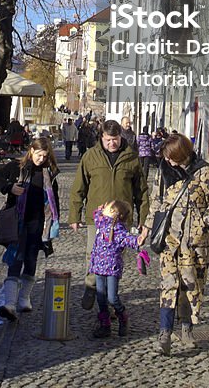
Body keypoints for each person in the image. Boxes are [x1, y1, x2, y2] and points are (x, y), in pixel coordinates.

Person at [138, 132, 209, 355]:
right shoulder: (164, 170)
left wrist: (203, 225)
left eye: (171, 156)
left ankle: (187, 329)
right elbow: (156, 202)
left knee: (190, 286)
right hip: (169, 239)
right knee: (168, 285)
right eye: (165, 157)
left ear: (182, 153)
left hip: (194, 243)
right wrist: (147, 228)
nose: (168, 160)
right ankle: (164, 334)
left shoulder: (204, 171)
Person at [68, 118, 149, 311]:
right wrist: (74, 215)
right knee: (93, 254)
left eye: (115, 139)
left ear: (121, 137)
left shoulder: (132, 158)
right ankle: (91, 285)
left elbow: (142, 192)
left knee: (115, 258)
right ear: (101, 138)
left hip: (121, 219)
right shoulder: (90, 157)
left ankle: (110, 300)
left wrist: (144, 219)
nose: (112, 143)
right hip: (96, 218)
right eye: (108, 140)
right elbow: (78, 188)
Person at [0, 137, 60, 321]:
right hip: (17, 221)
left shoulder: (49, 173)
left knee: (30, 258)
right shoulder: (17, 167)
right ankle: (9, 303)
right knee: (16, 257)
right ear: (31, 151)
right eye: (38, 155)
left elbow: (54, 199)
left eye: (44, 156)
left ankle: (24, 298)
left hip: (38, 223)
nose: (41, 159)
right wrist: (9, 187)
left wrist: (55, 221)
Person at [89, 199, 140, 339]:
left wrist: (139, 242)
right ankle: (104, 324)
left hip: (112, 269)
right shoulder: (101, 222)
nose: (104, 207)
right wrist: (100, 209)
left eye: (108, 206)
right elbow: (96, 215)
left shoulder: (119, 230)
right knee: (100, 297)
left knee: (112, 297)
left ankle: (122, 316)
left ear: (113, 212)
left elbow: (129, 240)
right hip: (99, 267)